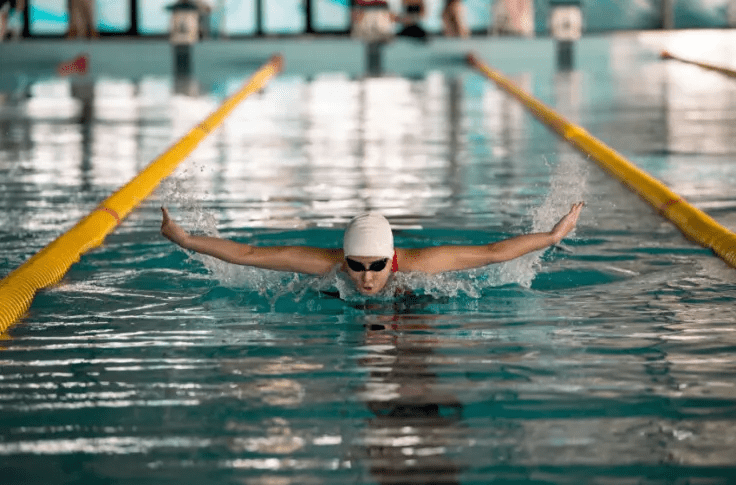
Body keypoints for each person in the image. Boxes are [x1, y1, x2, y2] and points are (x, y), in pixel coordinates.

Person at [160, 203, 584, 296]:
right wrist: (187, 240)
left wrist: (550, 237)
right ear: (342, 259)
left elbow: (491, 252)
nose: (365, 277)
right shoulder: (326, 265)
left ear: (392, 259)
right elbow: (250, 255)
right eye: (356, 266)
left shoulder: (420, 265)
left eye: (377, 266)